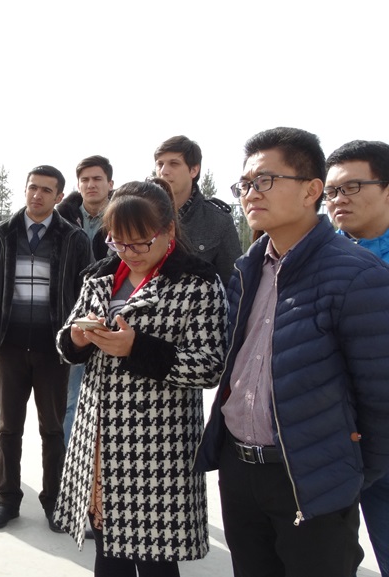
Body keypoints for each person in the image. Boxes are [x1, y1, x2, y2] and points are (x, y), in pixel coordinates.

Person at [194, 127, 389, 577]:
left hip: (310, 480)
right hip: (240, 471)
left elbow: (381, 400)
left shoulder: (358, 276)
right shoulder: (248, 269)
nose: (250, 193)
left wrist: (346, 476)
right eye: (245, 184)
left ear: (311, 190)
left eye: (265, 180)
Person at [54, 179, 226, 576]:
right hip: (100, 437)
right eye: (118, 242)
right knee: (107, 553)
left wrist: (137, 348)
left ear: (168, 231)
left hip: (158, 444)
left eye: (140, 243)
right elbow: (66, 340)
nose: (129, 253)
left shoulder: (197, 282)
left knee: (155, 559)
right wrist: (76, 339)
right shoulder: (100, 276)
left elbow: (210, 365)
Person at [0, 165, 92, 531]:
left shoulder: (74, 239)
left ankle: (54, 501)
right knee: (8, 428)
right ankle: (7, 500)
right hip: (10, 346)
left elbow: (85, 291)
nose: (37, 195)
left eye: (46, 190)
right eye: (33, 187)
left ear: (59, 196)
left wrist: (76, 336)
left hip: (52, 349)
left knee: (53, 430)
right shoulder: (0, 234)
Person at [325, 139, 389, 577]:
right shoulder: (317, 258)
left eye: (352, 187)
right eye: (331, 191)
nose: (338, 200)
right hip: (340, 441)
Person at [58, 155, 114, 455]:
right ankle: (72, 463)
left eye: (97, 179)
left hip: (112, 321)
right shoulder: (61, 220)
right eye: (85, 180)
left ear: (110, 184)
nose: (91, 185)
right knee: (71, 400)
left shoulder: (123, 217)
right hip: (71, 321)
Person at [153, 135, 241, 284]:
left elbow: (233, 283)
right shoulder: (140, 215)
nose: (164, 171)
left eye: (174, 164)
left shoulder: (218, 222)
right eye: (160, 164)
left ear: (194, 170)